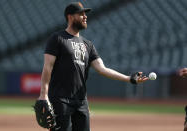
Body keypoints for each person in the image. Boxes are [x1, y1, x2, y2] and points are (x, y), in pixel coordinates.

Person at [38, 2, 148, 131]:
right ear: (70, 17)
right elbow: (47, 67)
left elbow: (103, 69)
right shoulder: (57, 38)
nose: (85, 17)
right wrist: (43, 95)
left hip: (81, 101)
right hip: (60, 100)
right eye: (81, 14)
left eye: (85, 14)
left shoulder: (88, 45)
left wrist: (129, 78)